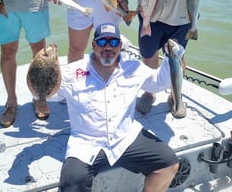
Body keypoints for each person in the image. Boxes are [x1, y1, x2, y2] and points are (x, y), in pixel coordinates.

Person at [57, 22, 180, 192]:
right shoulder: (74, 71)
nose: (108, 47)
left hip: (125, 138)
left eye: (113, 42)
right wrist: (41, 71)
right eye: (102, 42)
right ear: (93, 45)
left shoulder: (133, 68)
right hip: (86, 143)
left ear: (120, 46)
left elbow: (160, 82)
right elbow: (45, 93)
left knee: (168, 164)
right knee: (71, 183)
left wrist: (170, 57)